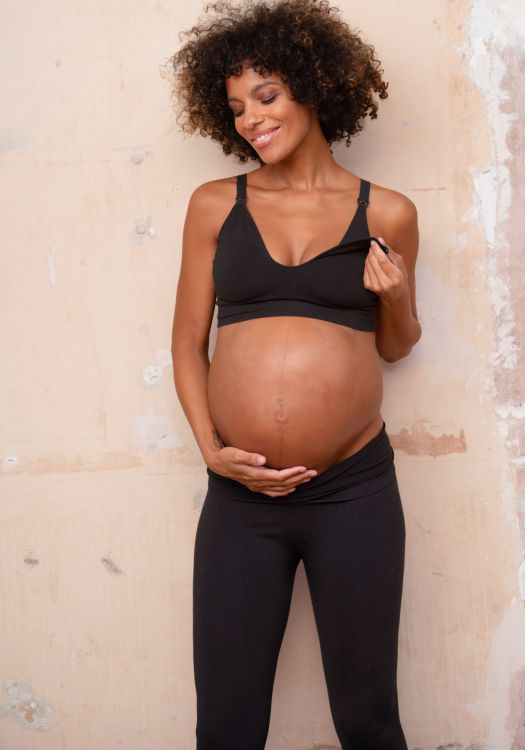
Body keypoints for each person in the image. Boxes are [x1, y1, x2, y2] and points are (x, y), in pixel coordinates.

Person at [168, 0, 421, 747]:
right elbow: (186, 341)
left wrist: (396, 297)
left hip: (353, 490)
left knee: (369, 718)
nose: (251, 119)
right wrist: (211, 451)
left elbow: (397, 346)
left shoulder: (389, 213)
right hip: (240, 495)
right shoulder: (215, 205)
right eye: (237, 108)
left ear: (314, 87)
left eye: (267, 96)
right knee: (227, 722)